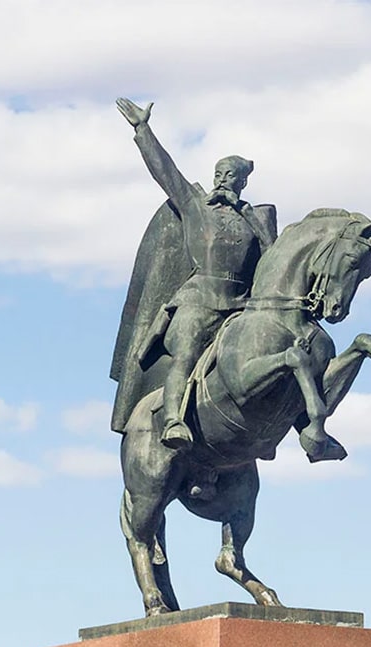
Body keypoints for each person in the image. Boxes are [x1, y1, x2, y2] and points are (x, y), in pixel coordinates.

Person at [116, 98, 276, 450]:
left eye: (229, 175)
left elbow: (273, 258)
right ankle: (173, 419)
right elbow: (165, 171)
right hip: (197, 299)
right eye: (218, 173)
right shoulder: (194, 205)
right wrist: (143, 130)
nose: (221, 179)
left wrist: (250, 215)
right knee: (186, 350)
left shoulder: (258, 217)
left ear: (242, 182)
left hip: (240, 306)